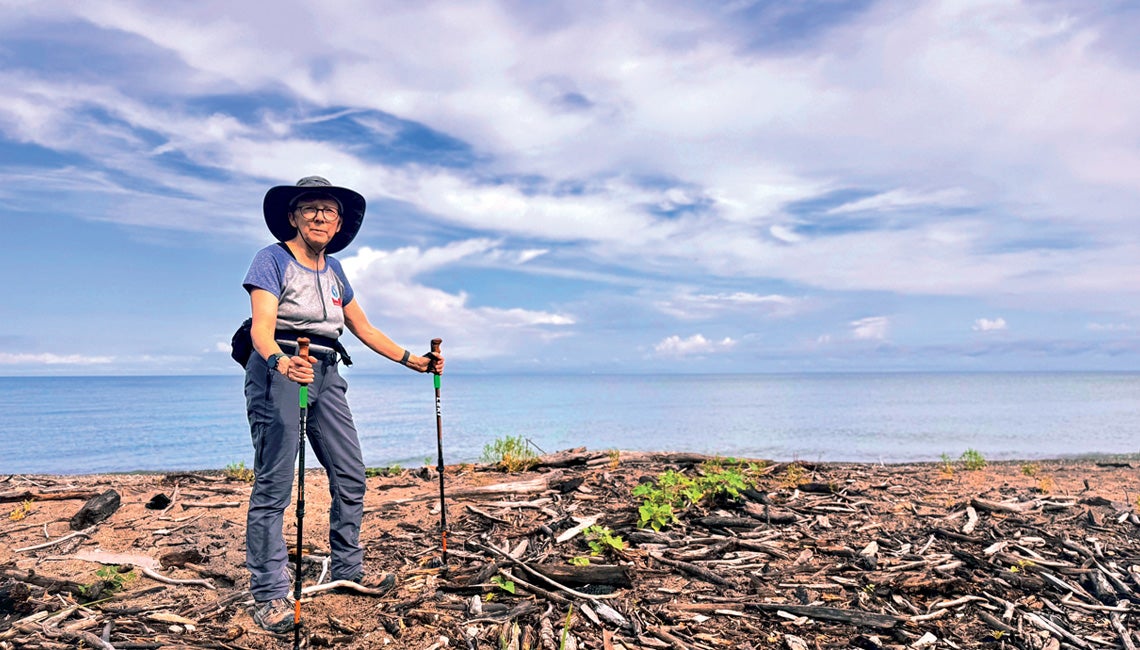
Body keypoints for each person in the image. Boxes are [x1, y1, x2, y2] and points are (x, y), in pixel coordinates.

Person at [241, 176, 444, 633]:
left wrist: (416, 361)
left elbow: (363, 328)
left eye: (328, 211)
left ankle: (347, 569)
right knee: (275, 483)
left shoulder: (334, 271)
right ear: (293, 217)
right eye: (310, 208)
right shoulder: (271, 259)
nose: (319, 216)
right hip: (284, 369)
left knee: (350, 472)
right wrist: (279, 361)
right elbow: (261, 326)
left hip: (328, 372)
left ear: (338, 224)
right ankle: (271, 593)